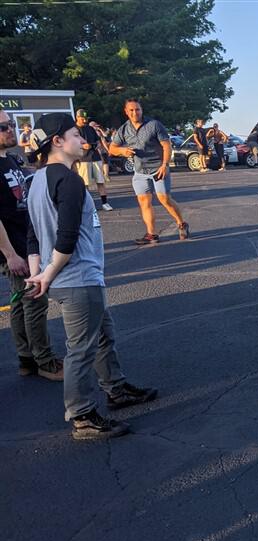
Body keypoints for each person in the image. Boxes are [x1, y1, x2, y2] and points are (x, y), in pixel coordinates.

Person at [25, 113, 157, 439]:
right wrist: (48, 274)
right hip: (77, 278)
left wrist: (38, 274)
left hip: (67, 277)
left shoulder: (38, 179)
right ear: (57, 141)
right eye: (74, 134)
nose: (81, 140)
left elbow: (31, 235)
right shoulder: (69, 180)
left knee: (102, 336)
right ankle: (81, 415)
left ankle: (116, 388)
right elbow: (66, 237)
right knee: (81, 350)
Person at [0, 110, 64, 381]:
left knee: (20, 303)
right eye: (4, 127)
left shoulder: (10, 160)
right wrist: (10, 254)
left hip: (25, 244)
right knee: (35, 301)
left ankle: (27, 358)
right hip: (14, 249)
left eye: (11, 124)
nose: (11, 129)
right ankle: (45, 360)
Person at [109, 98, 189, 245]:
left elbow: (166, 146)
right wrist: (122, 150)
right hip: (140, 171)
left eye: (137, 109)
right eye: (131, 110)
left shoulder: (154, 125)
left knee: (164, 199)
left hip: (158, 168)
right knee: (144, 202)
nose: (135, 113)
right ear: (126, 112)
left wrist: (165, 165)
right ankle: (151, 234)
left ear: (142, 110)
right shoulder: (124, 129)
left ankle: (181, 223)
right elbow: (112, 148)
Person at [74, 109, 113, 211]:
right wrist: (82, 146)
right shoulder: (74, 130)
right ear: (77, 117)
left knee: (100, 181)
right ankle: (86, 204)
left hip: (95, 157)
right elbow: (72, 144)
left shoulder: (90, 128)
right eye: (82, 118)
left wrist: (97, 145)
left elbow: (98, 140)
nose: (84, 121)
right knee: (85, 183)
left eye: (85, 119)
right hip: (83, 159)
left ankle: (105, 203)